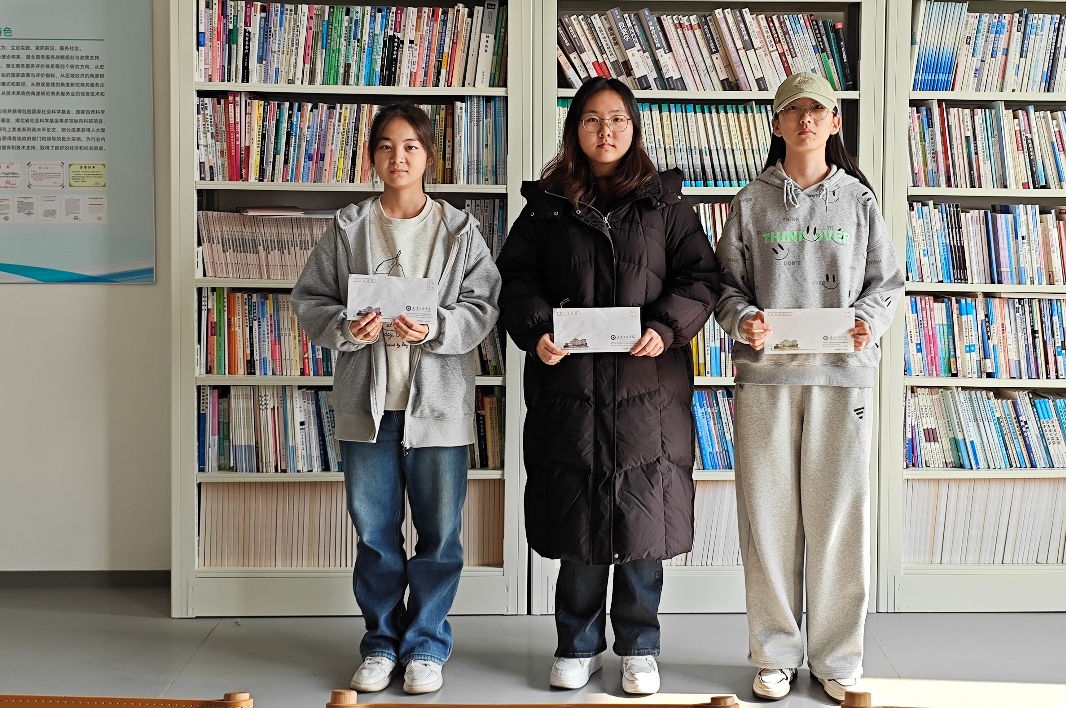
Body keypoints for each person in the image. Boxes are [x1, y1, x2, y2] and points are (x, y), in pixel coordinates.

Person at [497, 77, 720, 696]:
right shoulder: (546, 206)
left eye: (617, 118)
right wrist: (537, 330)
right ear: (575, 129)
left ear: (634, 127)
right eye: (592, 119)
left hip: (648, 393)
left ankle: (640, 648)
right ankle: (577, 644)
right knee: (579, 522)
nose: (605, 130)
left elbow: (701, 278)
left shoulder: (665, 204)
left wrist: (665, 327)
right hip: (570, 389)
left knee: (643, 525)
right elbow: (514, 281)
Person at [291, 103, 501, 696]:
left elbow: (484, 306)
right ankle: (381, 642)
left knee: (440, 535)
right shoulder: (348, 228)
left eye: (410, 146)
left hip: (437, 409)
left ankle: (426, 645)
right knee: (374, 534)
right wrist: (345, 327)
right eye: (386, 146)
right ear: (372, 157)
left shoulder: (459, 230)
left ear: (429, 155)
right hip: (369, 408)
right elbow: (309, 299)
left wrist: (436, 327)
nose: (398, 157)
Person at [713, 72, 904, 702]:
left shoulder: (859, 201)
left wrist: (868, 321)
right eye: (792, 110)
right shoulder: (751, 202)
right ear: (775, 123)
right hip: (766, 382)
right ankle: (774, 654)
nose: (805, 119)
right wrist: (744, 319)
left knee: (839, 520)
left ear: (834, 122)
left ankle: (837, 657)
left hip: (840, 380)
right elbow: (724, 286)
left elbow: (886, 284)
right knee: (767, 521)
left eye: (816, 110)